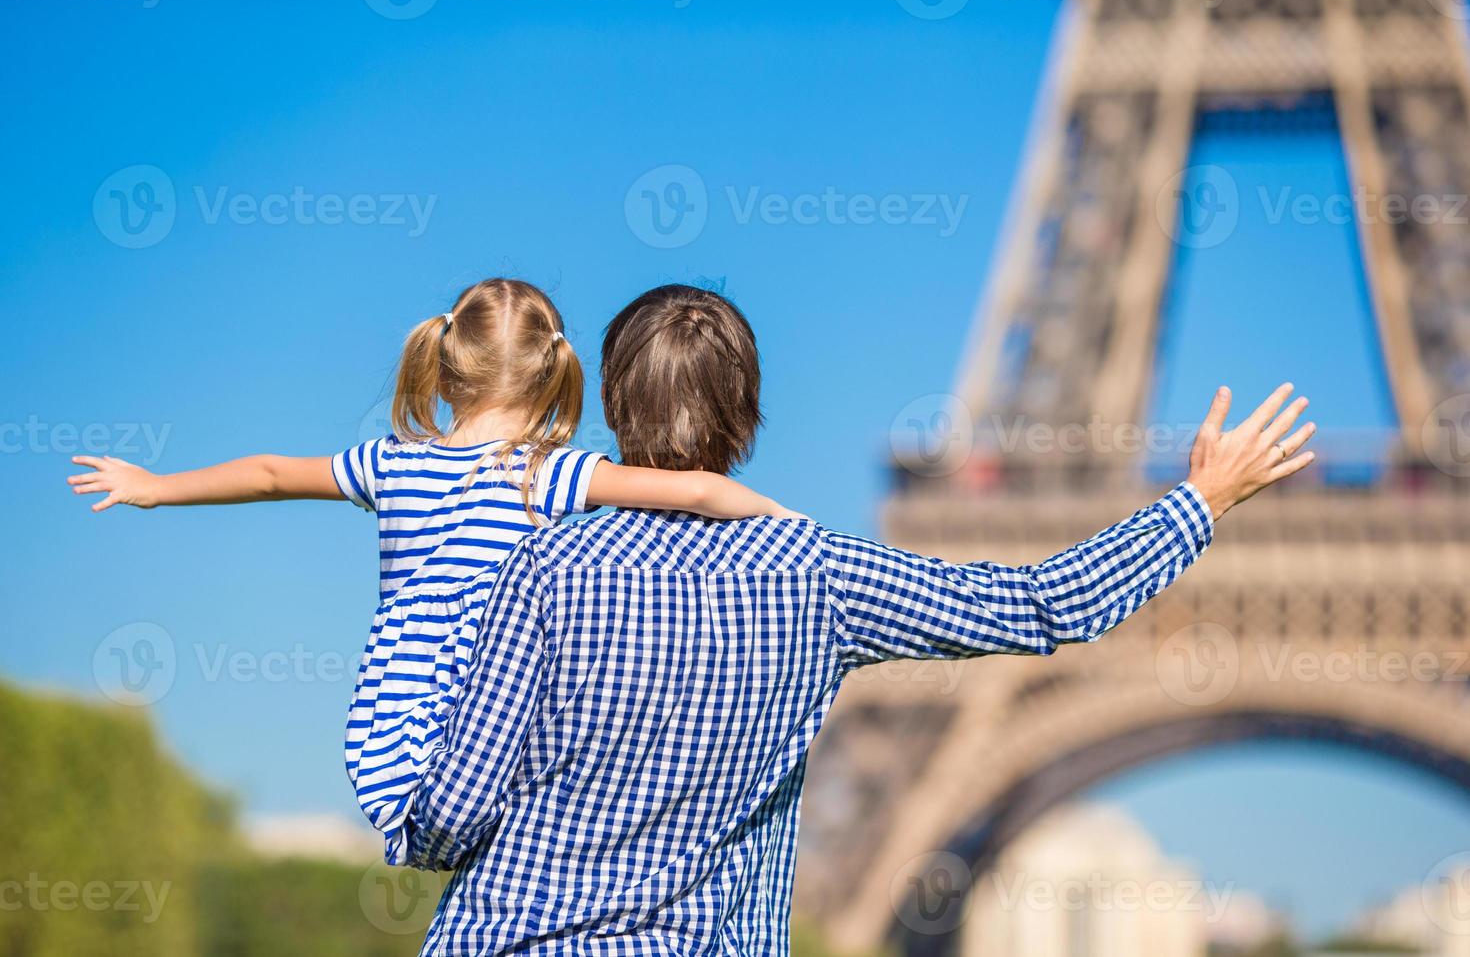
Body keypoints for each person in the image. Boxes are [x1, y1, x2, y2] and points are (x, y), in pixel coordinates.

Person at [398, 284, 1315, 956]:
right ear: (748, 418)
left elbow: (452, 813)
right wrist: (1200, 497)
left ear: (609, 405)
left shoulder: (545, 569)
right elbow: (1047, 603)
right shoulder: (815, 571)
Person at [64, 277, 801, 862]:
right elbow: (696, 489)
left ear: (445, 372)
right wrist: (788, 524)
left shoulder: (390, 462)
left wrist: (154, 488)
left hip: (395, 701)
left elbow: (267, 473)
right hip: (489, 695)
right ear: (553, 379)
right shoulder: (545, 473)